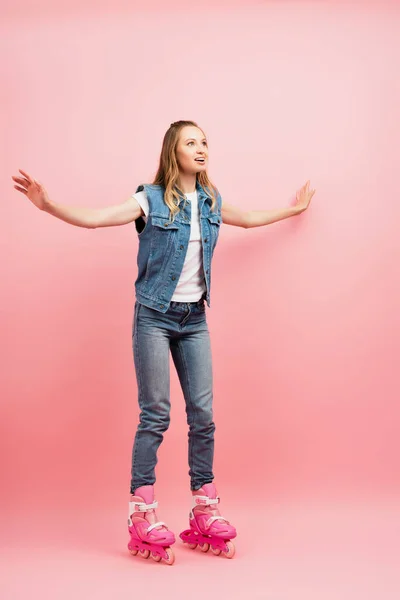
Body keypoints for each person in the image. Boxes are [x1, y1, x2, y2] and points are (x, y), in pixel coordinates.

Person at [12, 120, 315, 565]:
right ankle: (142, 512)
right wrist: (48, 205)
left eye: (205, 141)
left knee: (204, 414)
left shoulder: (211, 200)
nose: (202, 148)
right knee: (156, 414)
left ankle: (204, 507)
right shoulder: (149, 198)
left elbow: (248, 219)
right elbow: (97, 219)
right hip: (153, 316)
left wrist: (292, 211)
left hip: (194, 320)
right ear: (173, 151)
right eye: (191, 142)